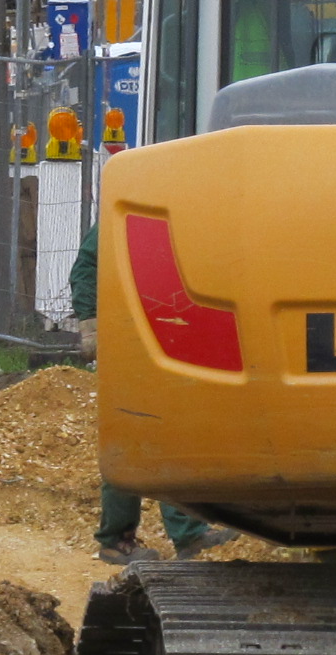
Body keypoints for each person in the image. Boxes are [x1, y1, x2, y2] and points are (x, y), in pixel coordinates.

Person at [68, 221, 235, 563]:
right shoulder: (133, 208)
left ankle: (188, 534)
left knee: (176, 433)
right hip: (129, 334)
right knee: (130, 435)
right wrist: (90, 323)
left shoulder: (196, 210)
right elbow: (87, 266)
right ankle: (117, 539)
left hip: (174, 334)